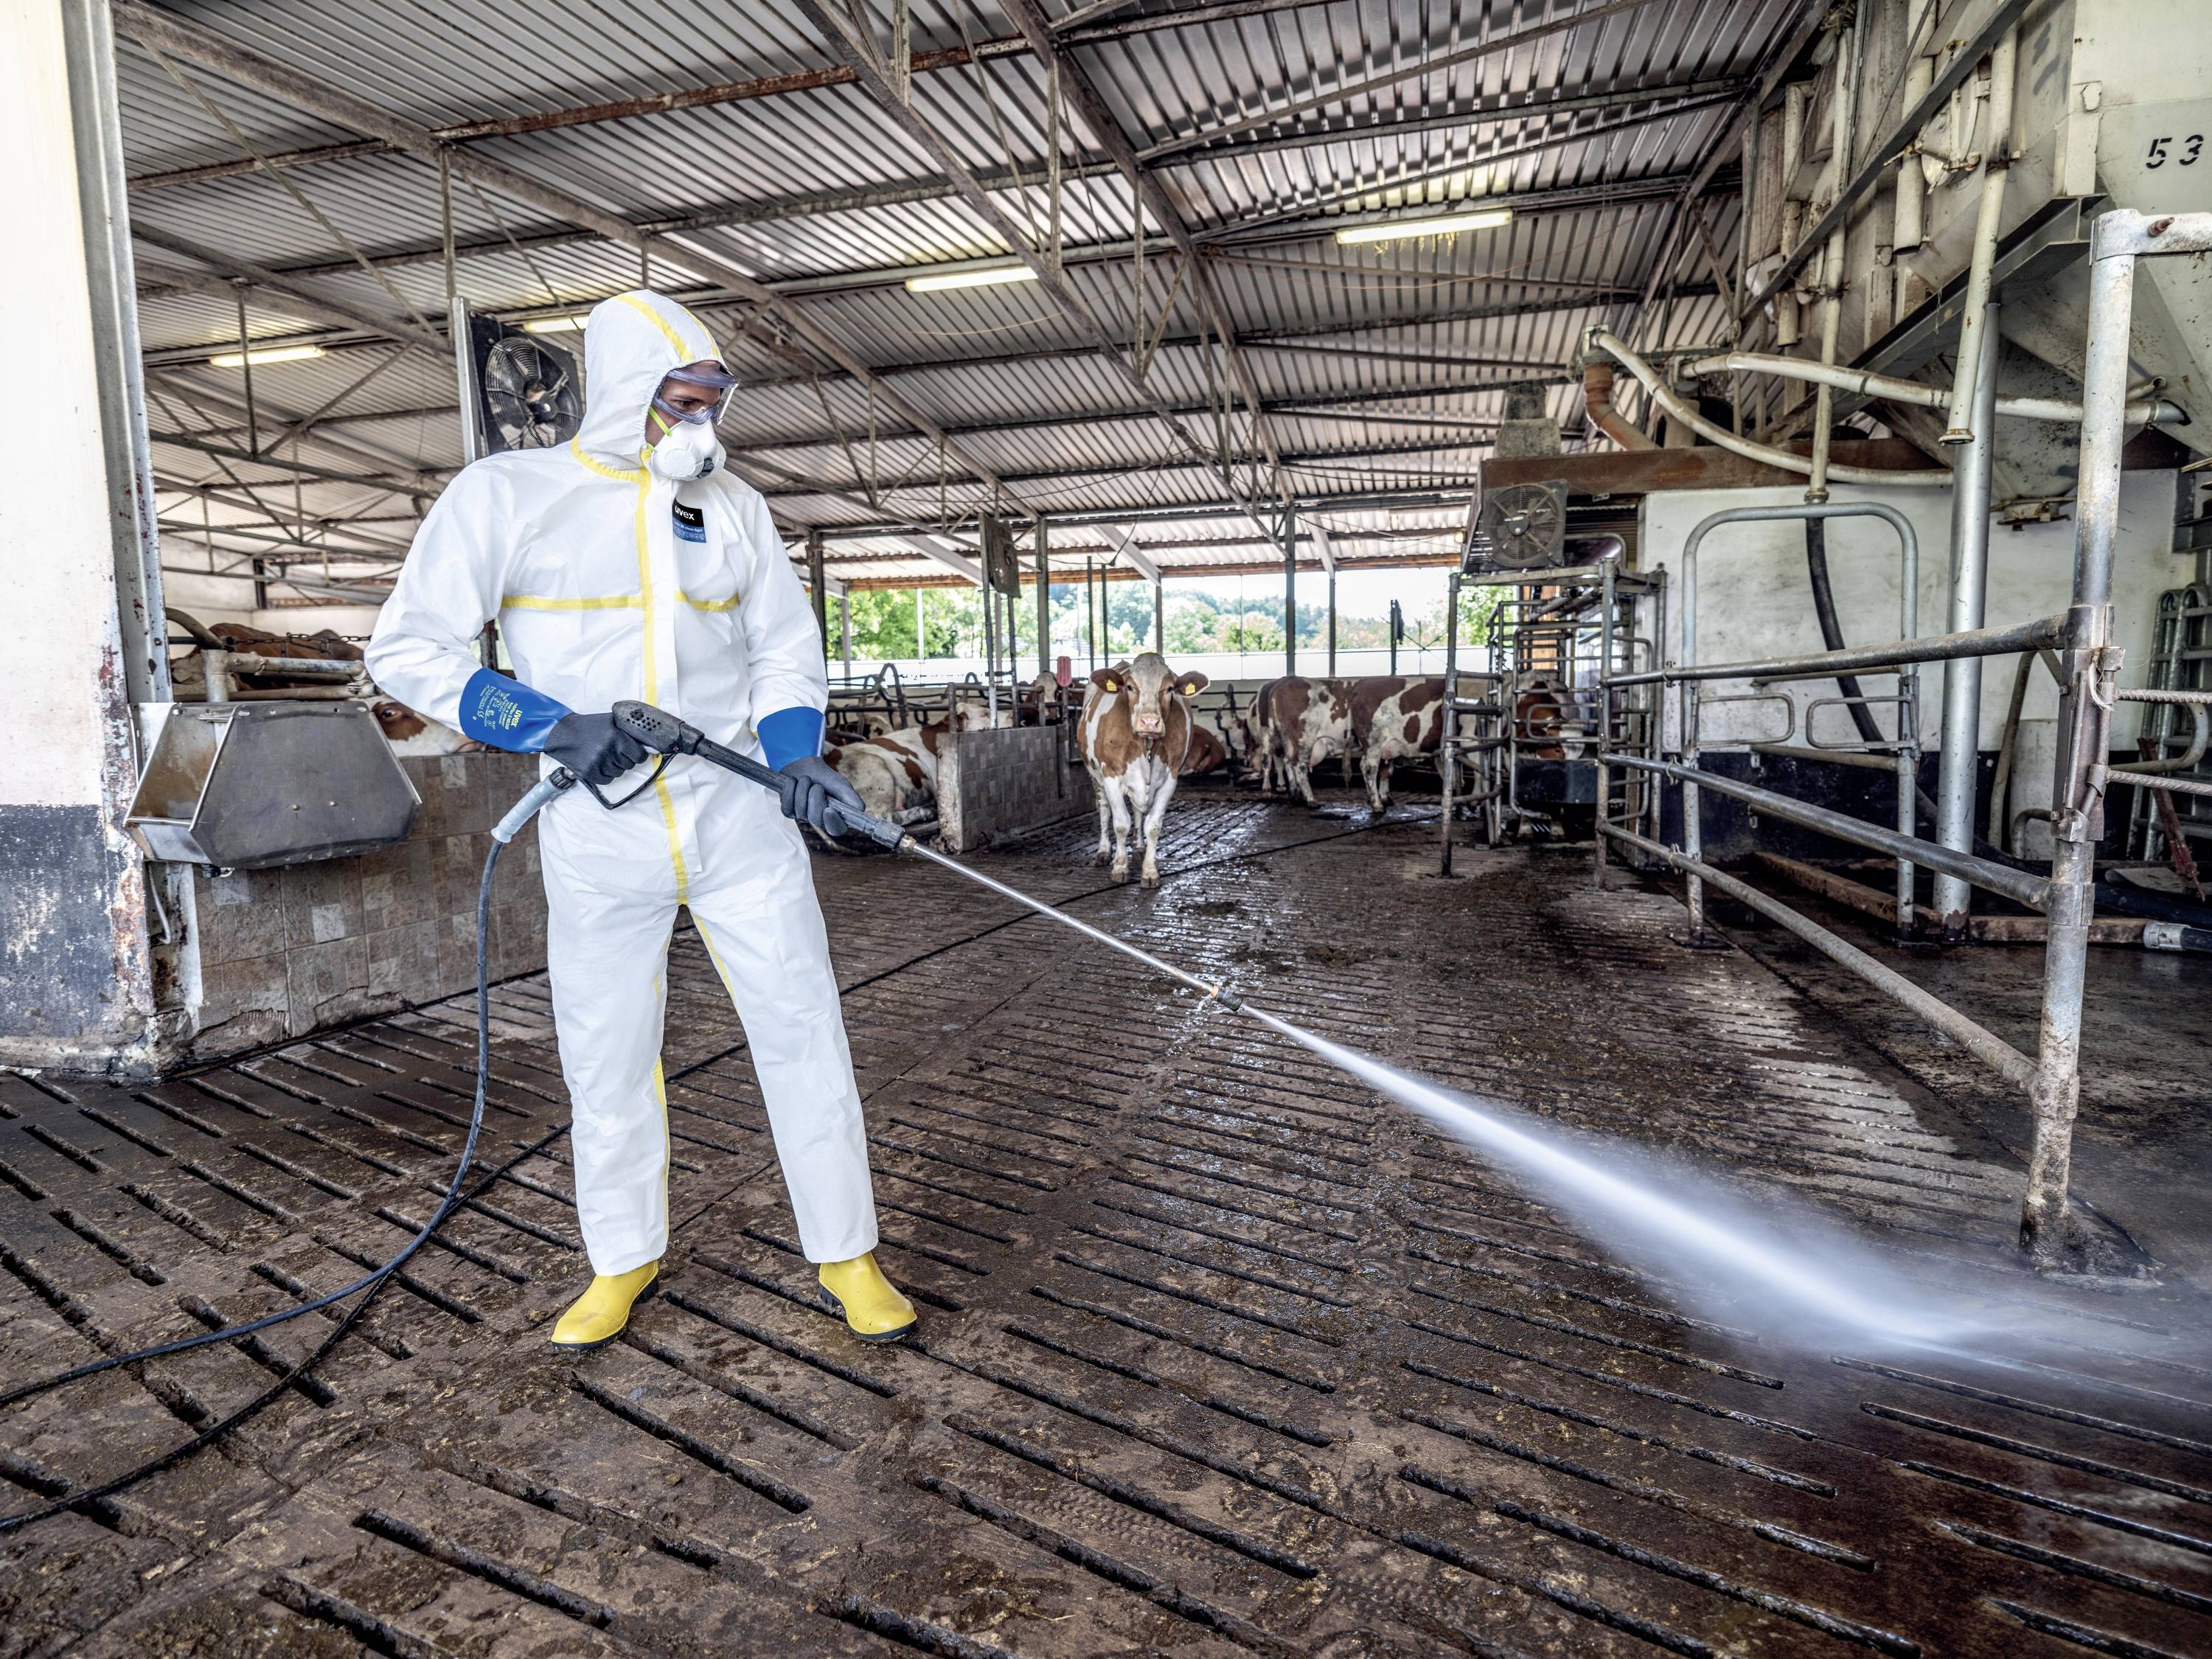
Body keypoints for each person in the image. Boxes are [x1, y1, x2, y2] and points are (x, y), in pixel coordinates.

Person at [366, 290, 916, 1351]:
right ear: (626, 396)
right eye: (683, 402)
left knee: (804, 1026)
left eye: (715, 402)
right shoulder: (509, 497)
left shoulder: (736, 509)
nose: (704, 424)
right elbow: (406, 648)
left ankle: (847, 1254)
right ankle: (622, 1260)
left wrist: (798, 752)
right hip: (598, 824)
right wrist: (545, 724)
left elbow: (784, 650)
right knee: (607, 1049)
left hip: (739, 813)